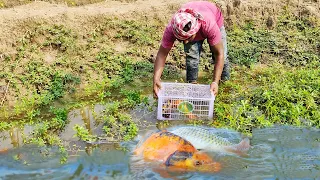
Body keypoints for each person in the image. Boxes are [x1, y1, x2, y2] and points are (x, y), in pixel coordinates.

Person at [153, 1, 230, 98]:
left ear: (195, 31)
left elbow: (219, 54)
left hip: (213, 17)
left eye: (187, 38)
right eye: (181, 40)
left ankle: (224, 83)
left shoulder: (209, 25)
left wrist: (215, 82)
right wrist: (156, 79)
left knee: (223, 57)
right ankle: (192, 88)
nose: (185, 42)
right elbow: (162, 54)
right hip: (195, 24)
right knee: (192, 58)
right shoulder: (173, 28)